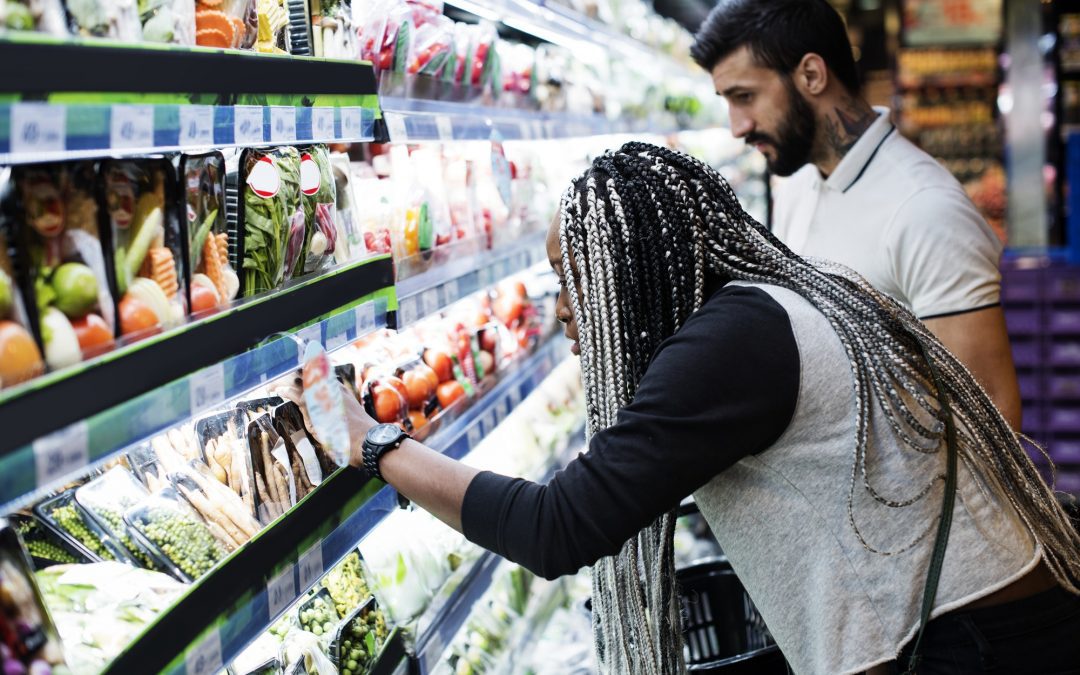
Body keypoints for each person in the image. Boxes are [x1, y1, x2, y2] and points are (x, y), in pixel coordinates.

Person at [322, 143, 1080, 675]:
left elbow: (558, 528)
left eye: (570, 277)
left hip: (978, 643)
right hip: (998, 619)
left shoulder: (731, 345)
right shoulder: (764, 307)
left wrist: (377, 444)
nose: (561, 310)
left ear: (630, 268)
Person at [689, 0, 1022, 431]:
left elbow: (993, 415)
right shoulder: (799, 183)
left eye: (745, 97)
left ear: (811, 74)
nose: (737, 125)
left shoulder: (925, 211)